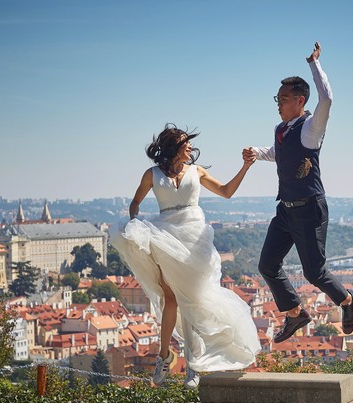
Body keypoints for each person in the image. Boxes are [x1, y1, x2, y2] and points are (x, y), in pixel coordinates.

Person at [111, 125, 261, 389]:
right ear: (173, 147)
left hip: (194, 239)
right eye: (185, 142)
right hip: (164, 237)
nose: (190, 147)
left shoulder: (197, 171)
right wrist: (135, 227)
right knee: (171, 298)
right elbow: (135, 203)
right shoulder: (152, 174)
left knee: (190, 300)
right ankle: (165, 356)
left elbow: (226, 191)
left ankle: (194, 364)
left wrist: (245, 167)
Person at [243, 42, 353, 344]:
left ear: (300, 100)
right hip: (286, 210)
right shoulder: (281, 129)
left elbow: (328, 98)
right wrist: (257, 153)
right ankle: (295, 313)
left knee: (314, 273)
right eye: (277, 99)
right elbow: (279, 154)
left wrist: (313, 63)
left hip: (309, 209)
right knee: (267, 264)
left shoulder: (311, 127)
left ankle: (346, 301)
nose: (278, 104)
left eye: (282, 98)